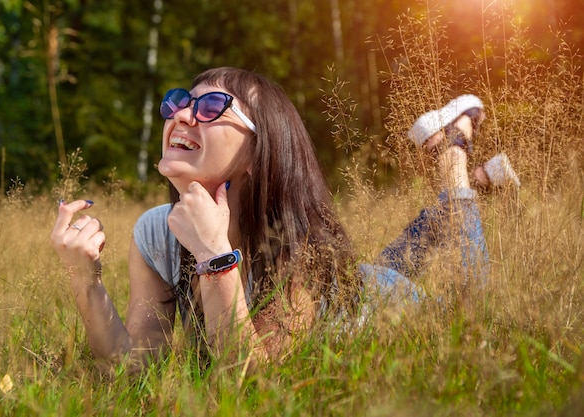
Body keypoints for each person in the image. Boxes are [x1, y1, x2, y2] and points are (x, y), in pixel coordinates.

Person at [50, 68, 519, 371]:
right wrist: (84, 279)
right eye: (178, 102)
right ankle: (479, 180)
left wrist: (216, 257)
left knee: (470, 307)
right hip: (358, 284)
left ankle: (456, 154)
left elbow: (251, 383)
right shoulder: (156, 233)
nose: (184, 116)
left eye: (211, 108)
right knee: (387, 269)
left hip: (386, 303)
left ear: (259, 154)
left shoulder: (295, 243)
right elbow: (134, 368)